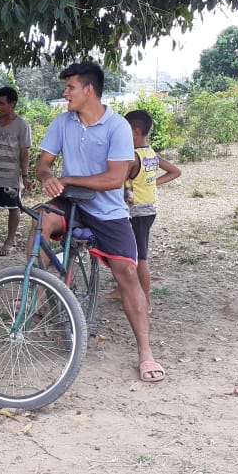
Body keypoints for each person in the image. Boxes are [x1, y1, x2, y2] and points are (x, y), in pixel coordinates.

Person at [32, 62, 164, 382]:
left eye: (70, 88)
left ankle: (145, 351)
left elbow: (115, 178)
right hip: (70, 200)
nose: (65, 93)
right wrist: (48, 178)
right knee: (40, 224)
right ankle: (37, 295)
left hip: (108, 210)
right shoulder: (62, 122)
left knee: (128, 273)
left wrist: (69, 178)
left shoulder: (117, 126)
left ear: (88, 90)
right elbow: (43, 164)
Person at [106, 110, 181, 311]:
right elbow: (175, 171)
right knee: (126, 254)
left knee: (140, 258)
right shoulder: (150, 153)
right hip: (149, 208)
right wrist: (152, 183)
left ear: (135, 131)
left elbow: (117, 181)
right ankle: (121, 291)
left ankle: (145, 301)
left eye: (124, 130)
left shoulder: (132, 158)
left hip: (137, 212)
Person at [0, 87, 33, 256]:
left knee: (13, 208)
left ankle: (9, 240)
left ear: (12, 104)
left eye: (2, 103)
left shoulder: (22, 125)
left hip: (11, 176)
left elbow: (25, 152)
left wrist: (24, 176)